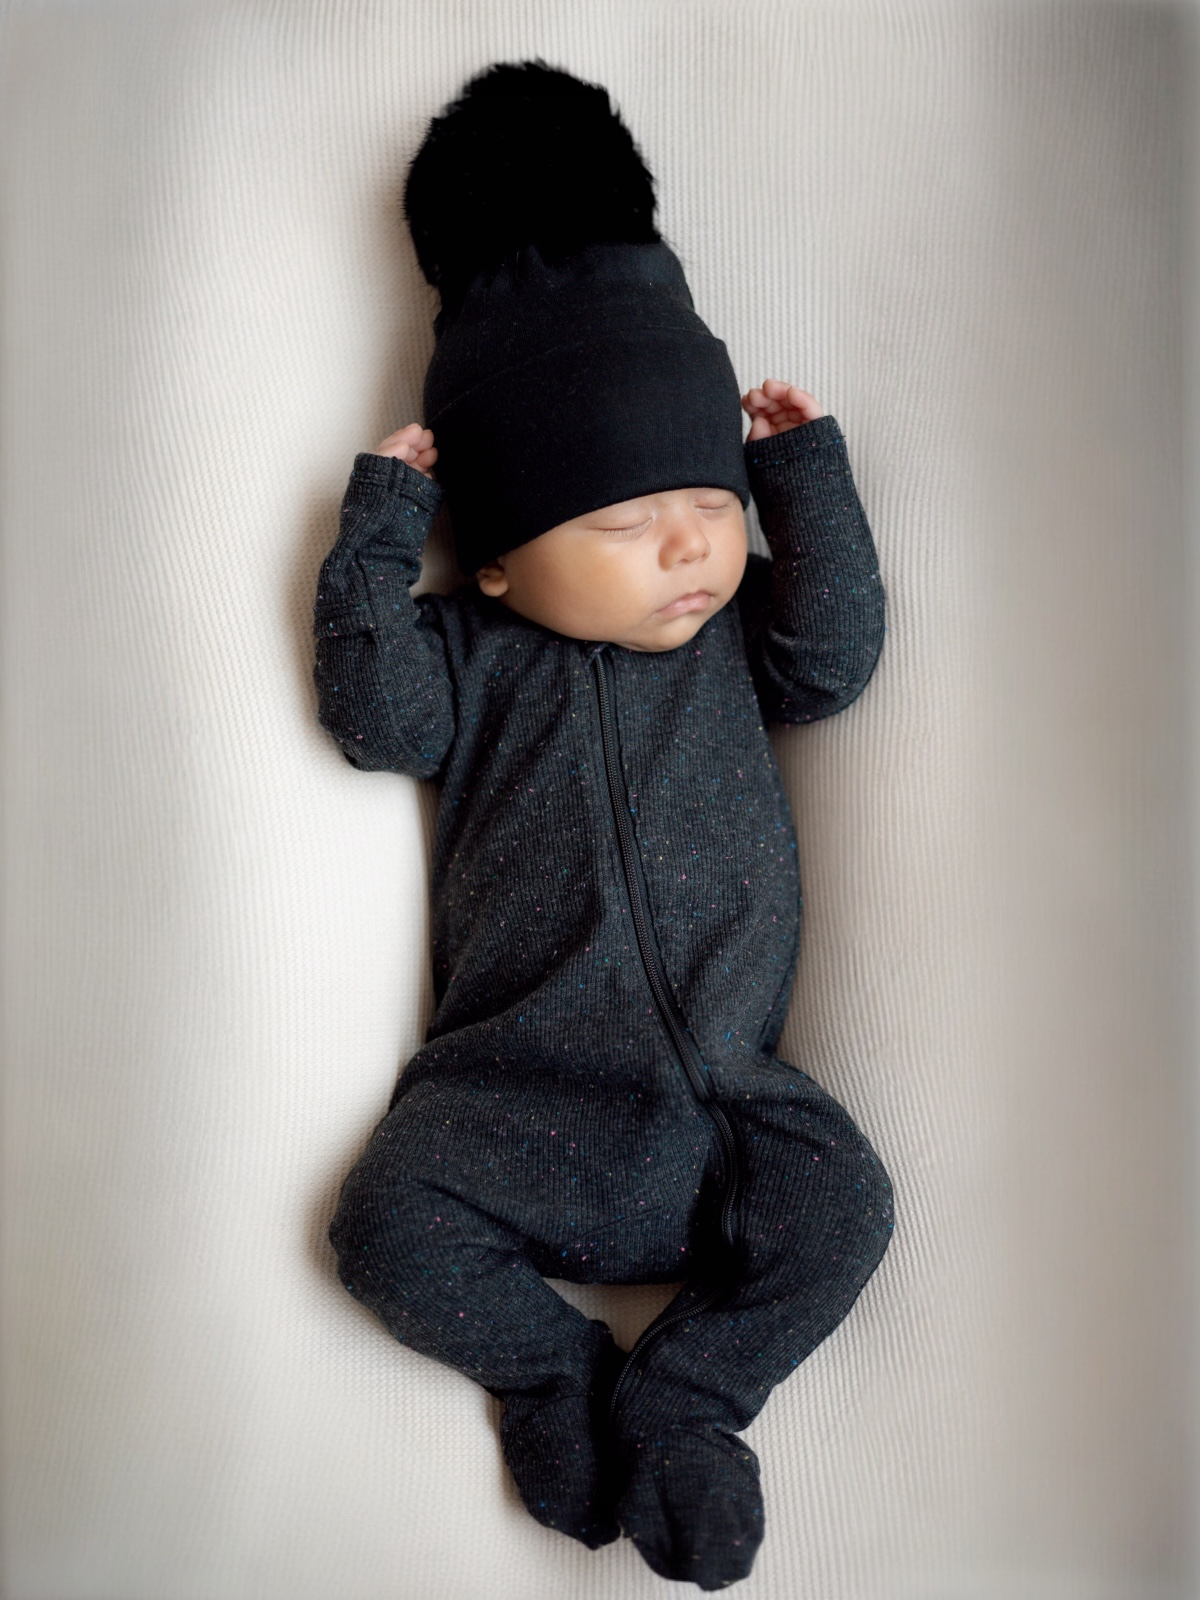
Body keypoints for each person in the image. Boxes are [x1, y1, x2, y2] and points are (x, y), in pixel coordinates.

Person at [314, 59, 895, 1592]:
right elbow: (372, 719)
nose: (685, 546)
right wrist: (379, 526)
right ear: (498, 558)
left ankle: (693, 1405)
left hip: (725, 1103)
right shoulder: (462, 653)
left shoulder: (728, 641)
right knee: (380, 1228)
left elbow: (833, 662)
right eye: (623, 524)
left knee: (848, 1207)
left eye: (702, 501)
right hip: (509, 1097)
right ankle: (558, 1384)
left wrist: (798, 481)